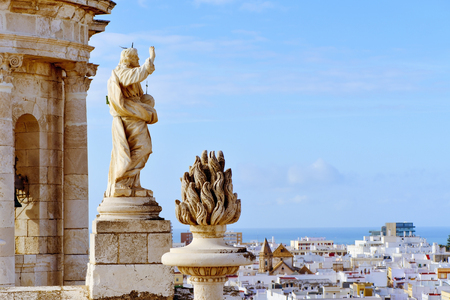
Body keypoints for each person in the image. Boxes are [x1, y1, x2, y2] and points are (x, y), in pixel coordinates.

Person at [105, 46, 157, 197]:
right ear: (129, 59)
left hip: (137, 114)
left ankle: (132, 183)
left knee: (137, 148)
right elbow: (138, 74)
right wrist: (151, 60)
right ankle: (121, 179)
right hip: (130, 115)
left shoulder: (128, 73)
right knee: (143, 147)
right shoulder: (122, 72)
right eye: (136, 58)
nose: (138, 60)